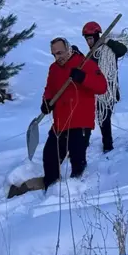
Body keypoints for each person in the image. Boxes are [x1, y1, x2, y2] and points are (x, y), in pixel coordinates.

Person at [40, 37, 107, 189]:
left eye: (60, 53)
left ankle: (77, 189)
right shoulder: (54, 68)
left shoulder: (85, 64)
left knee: (77, 158)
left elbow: (102, 87)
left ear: (69, 49)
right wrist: (47, 102)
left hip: (80, 121)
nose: (58, 57)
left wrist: (83, 78)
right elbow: (49, 89)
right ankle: (51, 188)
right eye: (54, 54)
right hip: (60, 122)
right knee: (50, 156)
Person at [82, 21, 128, 153]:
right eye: (87, 40)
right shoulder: (91, 56)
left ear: (97, 36)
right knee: (87, 117)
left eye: (90, 39)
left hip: (109, 91)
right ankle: (84, 144)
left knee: (104, 118)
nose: (89, 42)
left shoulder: (109, 51)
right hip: (93, 91)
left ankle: (108, 145)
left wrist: (107, 41)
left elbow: (122, 50)